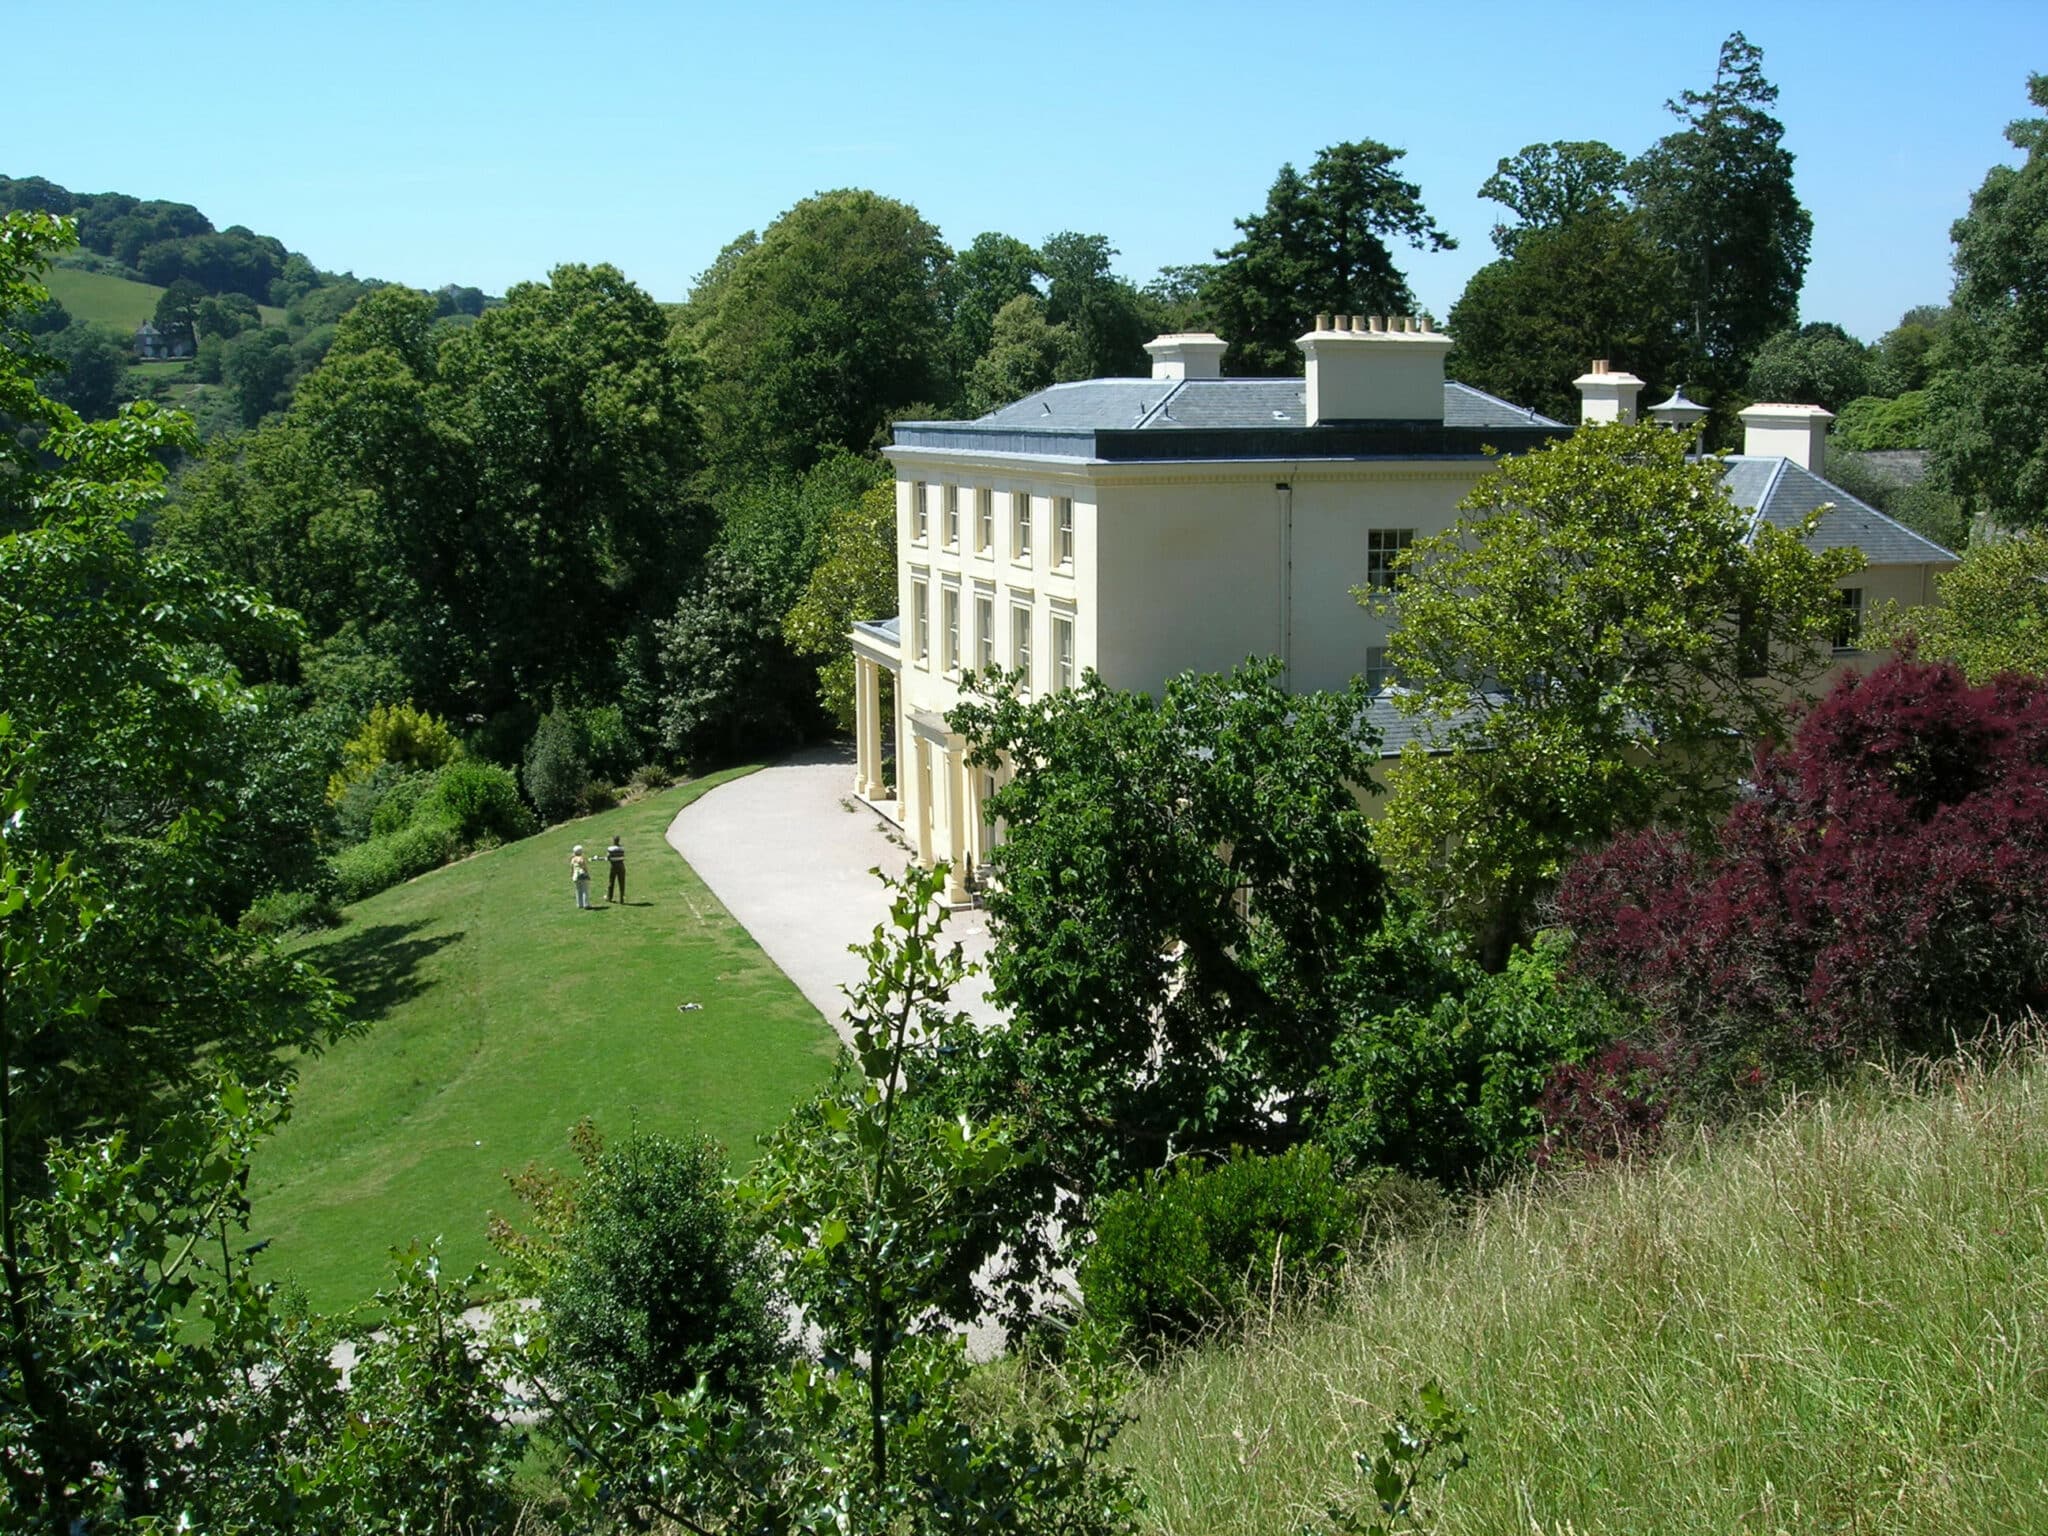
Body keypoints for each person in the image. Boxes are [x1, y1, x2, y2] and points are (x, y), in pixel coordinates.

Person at [605, 833, 626, 903]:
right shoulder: (622, 848)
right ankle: (622, 898)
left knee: (611, 882)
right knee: (622, 882)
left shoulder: (610, 848)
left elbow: (608, 857)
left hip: (613, 866)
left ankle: (609, 897)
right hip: (621, 866)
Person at [570, 844, 592, 909]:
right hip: (582, 875)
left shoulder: (573, 859)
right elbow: (584, 867)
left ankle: (579, 904)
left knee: (578, 890)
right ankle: (586, 904)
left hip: (575, 876)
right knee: (585, 890)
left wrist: (571, 874)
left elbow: (571, 868)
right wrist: (587, 874)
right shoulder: (581, 859)